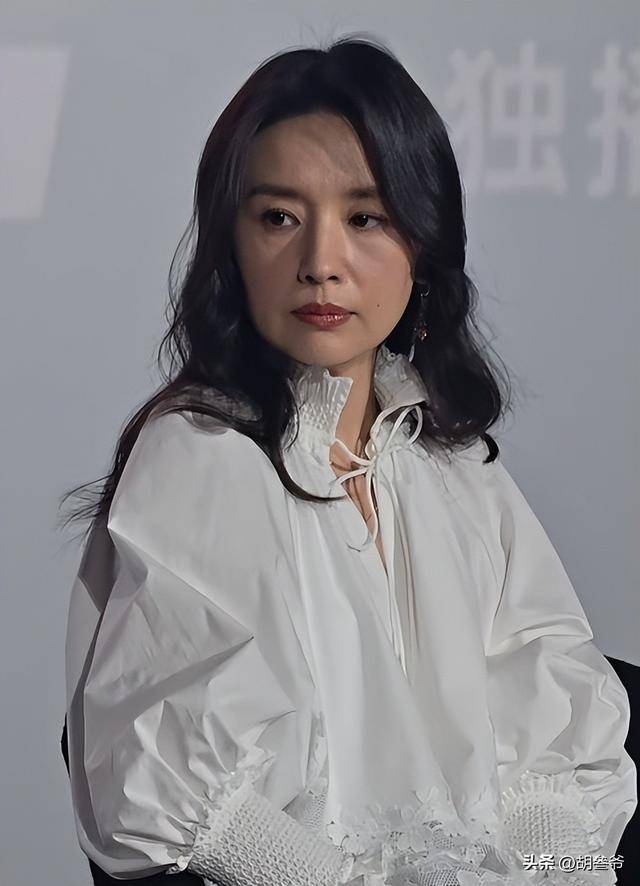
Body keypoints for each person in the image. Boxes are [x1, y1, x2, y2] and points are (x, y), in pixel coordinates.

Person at [60, 35, 637, 886]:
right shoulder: (200, 455)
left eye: (365, 218)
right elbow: (182, 795)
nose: (321, 265)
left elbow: (546, 745)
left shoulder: (451, 466)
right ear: (231, 247)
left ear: (423, 247)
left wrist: (562, 875)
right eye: (279, 218)